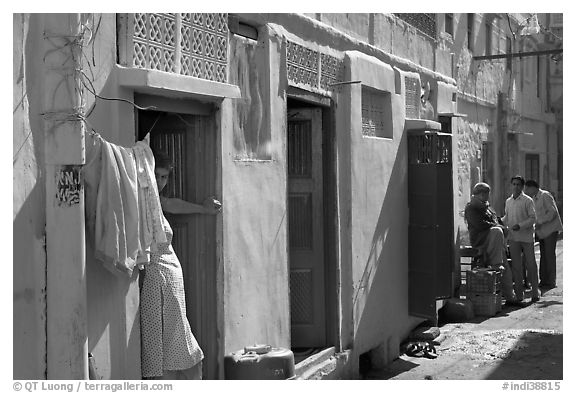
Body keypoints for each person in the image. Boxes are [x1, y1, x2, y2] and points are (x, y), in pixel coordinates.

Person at [140, 150, 222, 380]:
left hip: (170, 281)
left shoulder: (156, 201)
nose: (160, 181)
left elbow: (172, 204)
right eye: (156, 175)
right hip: (158, 280)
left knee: (176, 335)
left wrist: (203, 209)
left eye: (164, 177)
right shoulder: (142, 198)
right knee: (165, 338)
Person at [464, 182, 517, 305]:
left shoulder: (488, 207)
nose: (488, 196)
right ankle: (496, 263)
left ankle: (511, 297)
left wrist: (504, 227)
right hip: (481, 240)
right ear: (481, 194)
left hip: (495, 244)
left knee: (506, 269)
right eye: (487, 193)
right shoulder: (471, 208)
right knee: (497, 231)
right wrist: (498, 227)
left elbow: (497, 220)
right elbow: (480, 225)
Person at [503, 175, 539, 303]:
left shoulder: (527, 200)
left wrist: (521, 225)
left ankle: (535, 292)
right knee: (517, 267)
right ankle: (519, 295)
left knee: (531, 265)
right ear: (511, 185)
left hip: (527, 237)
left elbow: (533, 218)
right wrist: (499, 222)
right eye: (514, 184)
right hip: (513, 238)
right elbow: (506, 217)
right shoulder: (508, 201)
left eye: (518, 184)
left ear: (522, 186)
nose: (516, 186)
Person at [524, 180, 563, 289]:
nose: (526, 191)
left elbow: (552, 212)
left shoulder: (544, 195)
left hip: (550, 230)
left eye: (527, 188)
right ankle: (544, 280)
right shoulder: (534, 199)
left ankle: (551, 281)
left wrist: (539, 221)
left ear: (532, 187)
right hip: (541, 232)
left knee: (549, 256)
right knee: (543, 256)